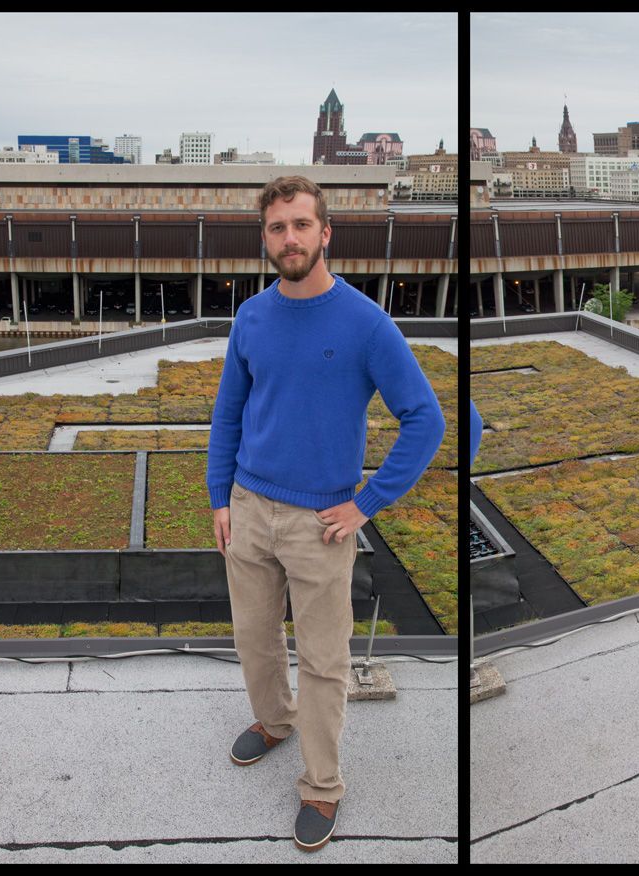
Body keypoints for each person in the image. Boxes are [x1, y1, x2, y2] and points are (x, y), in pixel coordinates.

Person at [207, 175, 446, 852]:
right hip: (249, 507)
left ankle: (322, 785)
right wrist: (220, 496)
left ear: (325, 233)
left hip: (320, 524)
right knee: (254, 639)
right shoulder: (251, 316)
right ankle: (274, 721)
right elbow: (228, 413)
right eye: (277, 227)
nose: (290, 238)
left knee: (322, 660)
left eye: (301, 225)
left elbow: (425, 420)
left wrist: (366, 503)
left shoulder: (366, 323)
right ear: (266, 238)